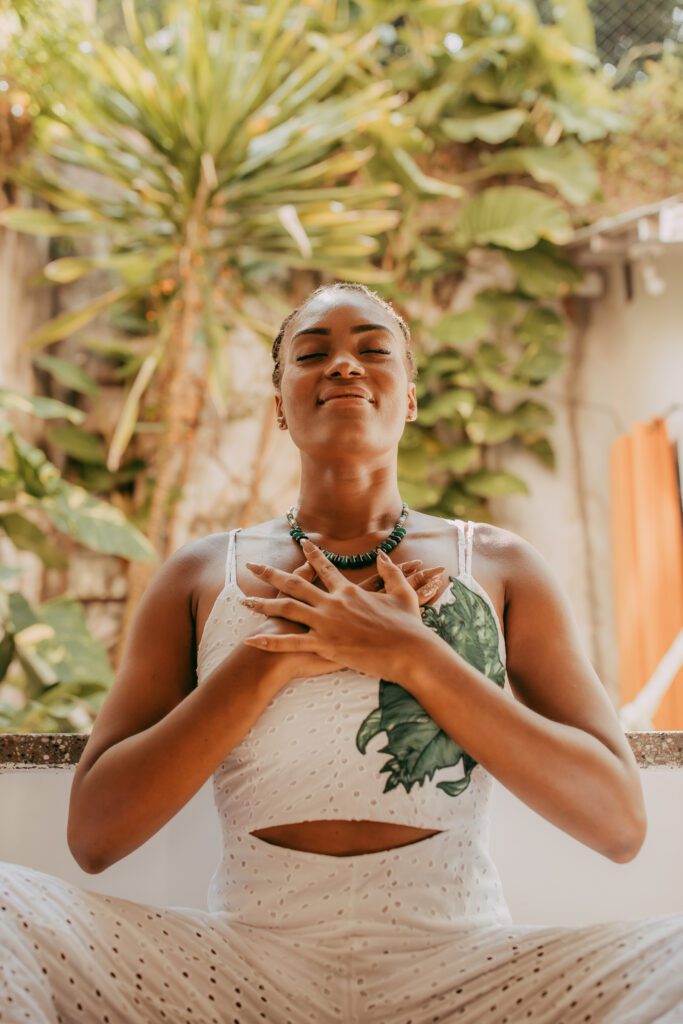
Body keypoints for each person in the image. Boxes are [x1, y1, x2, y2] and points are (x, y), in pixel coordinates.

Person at [1, 281, 682, 1024]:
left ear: (411, 398)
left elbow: (617, 824)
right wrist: (273, 657)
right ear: (279, 404)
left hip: (463, 970)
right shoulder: (200, 577)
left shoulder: (499, 565)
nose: (344, 367)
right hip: (243, 966)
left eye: (372, 350)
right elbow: (96, 836)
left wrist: (413, 655)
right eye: (313, 353)